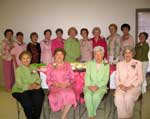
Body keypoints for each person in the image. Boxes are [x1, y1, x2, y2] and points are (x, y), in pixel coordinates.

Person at [12, 51, 44, 119]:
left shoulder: (33, 68)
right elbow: (19, 84)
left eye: (28, 58)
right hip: (20, 90)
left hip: (34, 87)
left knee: (39, 100)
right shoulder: (19, 70)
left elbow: (38, 79)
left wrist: (37, 83)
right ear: (20, 60)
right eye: (23, 58)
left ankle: (36, 117)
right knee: (28, 104)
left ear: (31, 58)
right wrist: (28, 87)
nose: (26, 60)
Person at [46, 48, 76, 119]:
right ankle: (64, 115)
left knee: (70, 94)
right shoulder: (50, 65)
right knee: (60, 94)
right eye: (57, 54)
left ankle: (63, 116)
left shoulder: (67, 65)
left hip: (66, 85)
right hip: (55, 86)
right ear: (54, 56)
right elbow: (48, 79)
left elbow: (72, 77)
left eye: (61, 54)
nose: (59, 56)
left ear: (64, 56)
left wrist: (68, 84)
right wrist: (56, 84)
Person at [115, 46, 143, 119]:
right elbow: (117, 77)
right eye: (126, 53)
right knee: (118, 97)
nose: (127, 54)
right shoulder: (119, 64)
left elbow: (140, 79)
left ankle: (128, 115)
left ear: (132, 54)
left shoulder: (138, 63)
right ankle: (123, 117)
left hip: (134, 87)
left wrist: (131, 86)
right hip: (122, 86)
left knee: (128, 97)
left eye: (129, 52)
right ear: (123, 54)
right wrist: (120, 85)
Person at [84, 46, 109, 119]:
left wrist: (97, 86)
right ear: (93, 55)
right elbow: (87, 76)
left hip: (101, 86)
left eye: (100, 54)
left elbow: (105, 79)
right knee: (87, 96)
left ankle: (91, 113)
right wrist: (89, 86)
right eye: (96, 54)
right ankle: (91, 115)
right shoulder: (89, 63)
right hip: (89, 85)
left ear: (103, 55)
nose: (98, 56)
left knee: (95, 96)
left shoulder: (106, 65)